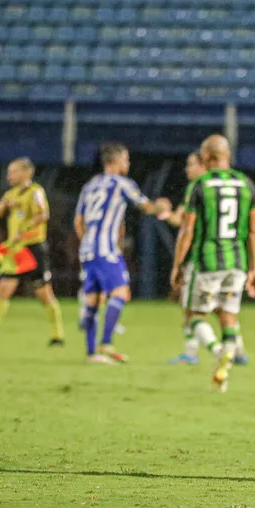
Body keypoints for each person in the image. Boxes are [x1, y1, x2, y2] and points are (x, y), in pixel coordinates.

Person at [170, 135, 255, 391]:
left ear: (208, 158)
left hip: (207, 262)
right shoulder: (247, 185)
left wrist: (178, 265)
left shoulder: (200, 185)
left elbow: (187, 230)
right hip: (238, 263)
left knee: (194, 316)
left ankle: (217, 350)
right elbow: (254, 232)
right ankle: (223, 371)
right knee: (229, 318)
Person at [74, 142, 172, 363]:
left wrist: (87, 242)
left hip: (88, 249)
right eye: (126, 159)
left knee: (93, 299)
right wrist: (162, 206)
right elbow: (146, 206)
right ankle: (106, 343)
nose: (128, 163)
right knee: (120, 293)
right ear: (116, 161)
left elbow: (78, 220)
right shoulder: (121, 184)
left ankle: (91, 354)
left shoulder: (90, 185)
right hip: (105, 250)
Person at [0, 158, 65, 345]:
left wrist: (25, 230)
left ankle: (58, 335)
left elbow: (43, 214)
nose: (9, 175)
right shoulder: (10, 194)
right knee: (3, 288)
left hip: (33, 248)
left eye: (14, 171)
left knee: (44, 293)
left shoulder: (35, 192)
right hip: (17, 250)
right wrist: (4, 206)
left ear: (27, 173)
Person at [167, 151, 208, 366]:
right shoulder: (218, 186)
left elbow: (185, 225)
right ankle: (236, 348)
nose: (187, 169)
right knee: (223, 309)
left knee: (190, 308)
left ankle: (198, 352)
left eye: (191, 164)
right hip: (225, 257)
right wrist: (165, 213)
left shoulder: (198, 188)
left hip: (199, 257)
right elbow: (178, 218)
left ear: (204, 165)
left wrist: (178, 263)